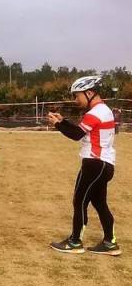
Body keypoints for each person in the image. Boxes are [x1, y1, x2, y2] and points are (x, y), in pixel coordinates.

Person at [48, 76, 120, 256]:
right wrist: (63, 122)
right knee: (99, 203)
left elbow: (76, 135)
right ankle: (110, 243)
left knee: (79, 200)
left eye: (77, 95)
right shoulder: (104, 110)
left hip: (94, 164)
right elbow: (81, 131)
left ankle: (74, 242)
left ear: (89, 93)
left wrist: (58, 124)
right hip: (105, 164)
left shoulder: (95, 113)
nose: (75, 100)